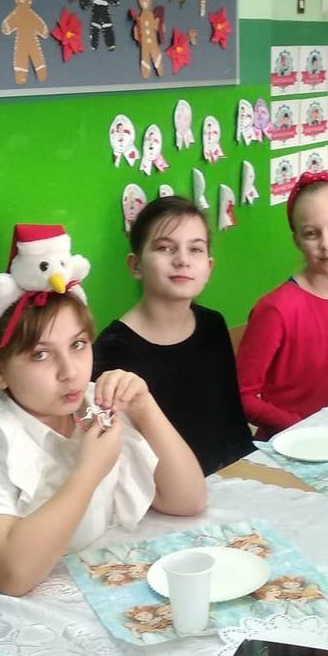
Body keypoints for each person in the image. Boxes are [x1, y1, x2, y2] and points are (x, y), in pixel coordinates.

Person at [0, 224, 205, 619]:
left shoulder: (92, 404)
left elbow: (188, 500)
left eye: (78, 345)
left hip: (94, 593)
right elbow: (12, 575)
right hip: (13, 619)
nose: (70, 372)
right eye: (40, 354)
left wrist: (145, 407)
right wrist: (89, 471)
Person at [93, 196, 252, 474]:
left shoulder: (213, 324)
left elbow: (233, 423)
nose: (182, 260)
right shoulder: (112, 350)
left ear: (209, 268)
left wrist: (249, 474)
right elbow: (114, 457)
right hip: (158, 492)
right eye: (165, 248)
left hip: (223, 480)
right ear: (135, 265)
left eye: (195, 249)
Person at [236, 172, 328, 438]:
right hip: (287, 441)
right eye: (312, 233)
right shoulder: (276, 310)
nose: (326, 244)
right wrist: (302, 426)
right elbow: (242, 396)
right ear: (297, 241)